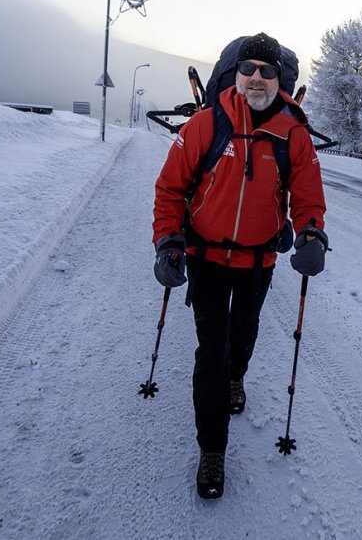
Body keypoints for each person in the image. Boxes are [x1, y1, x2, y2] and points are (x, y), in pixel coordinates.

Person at [152, 32, 328, 499]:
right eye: (248, 68)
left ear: (279, 80)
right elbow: (170, 189)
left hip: (258, 258)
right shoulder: (206, 125)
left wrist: (311, 233)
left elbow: (309, 197)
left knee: (243, 334)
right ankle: (212, 449)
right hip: (206, 256)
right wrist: (168, 241)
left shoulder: (294, 133)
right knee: (211, 349)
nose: (257, 78)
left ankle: (237, 378)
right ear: (235, 74)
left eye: (267, 71)